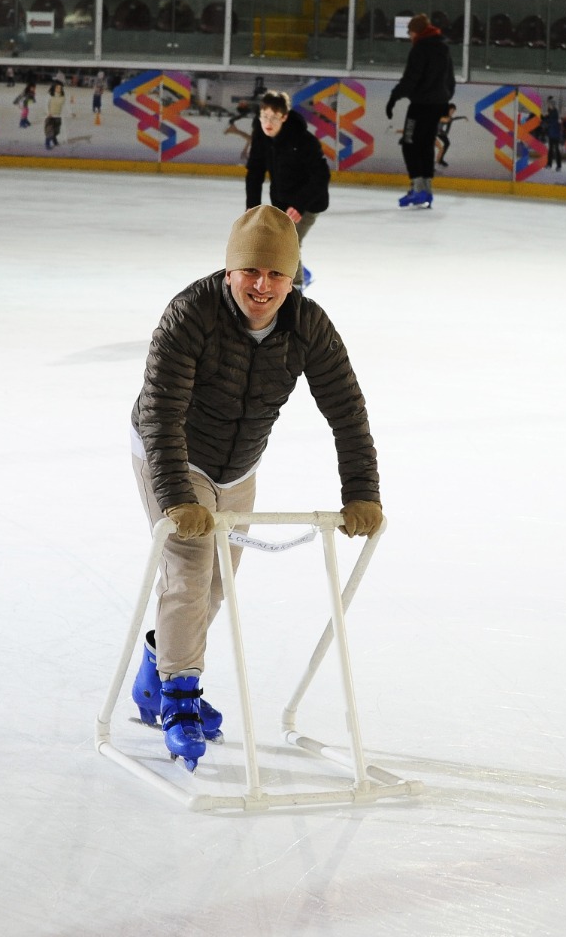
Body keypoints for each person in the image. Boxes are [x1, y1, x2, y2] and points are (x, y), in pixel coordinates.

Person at [128, 206, 383, 769]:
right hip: (173, 452)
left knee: (218, 583)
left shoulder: (308, 325)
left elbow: (346, 409)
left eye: (276, 275)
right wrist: (175, 495)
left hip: (239, 465)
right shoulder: (189, 314)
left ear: (293, 278)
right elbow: (162, 413)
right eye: (250, 273)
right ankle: (178, 698)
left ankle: (157, 671)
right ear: (229, 272)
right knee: (191, 572)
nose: (262, 286)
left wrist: (361, 491)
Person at [244, 90, 331, 290]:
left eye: (274, 117)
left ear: (284, 117)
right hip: (282, 199)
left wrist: (300, 205)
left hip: (309, 202)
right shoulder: (261, 134)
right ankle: (303, 271)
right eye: (264, 116)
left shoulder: (303, 140)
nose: (268, 122)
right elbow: (255, 171)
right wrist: (253, 206)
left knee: (289, 242)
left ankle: (297, 288)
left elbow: (321, 176)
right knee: (278, 242)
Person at [386, 13, 455, 209]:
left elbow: (411, 79)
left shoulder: (420, 49)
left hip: (420, 105)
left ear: (417, 32)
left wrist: (394, 97)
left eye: (410, 33)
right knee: (425, 145)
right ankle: (427, 189)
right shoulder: (443, 47)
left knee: (409, 143)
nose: (410, 37)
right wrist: (445, 98)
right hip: (437, 105)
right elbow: (450, 78)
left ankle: (418, 188)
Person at [435, 102, 465, 167]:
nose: (452, 112)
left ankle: (439, 160)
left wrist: (463, 117)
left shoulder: (449, 117)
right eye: (451, 111)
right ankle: (437, 162)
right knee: (439, 147)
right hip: (434, 132)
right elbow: (443, 120)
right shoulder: (442, 114)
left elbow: (453, 118)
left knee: (446, 144)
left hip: (440, 132)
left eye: (453, 111)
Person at [542, 98, 563, 172]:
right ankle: (549, 164)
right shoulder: (551, 112)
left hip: (556, 135)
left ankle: (559, 165)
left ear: (552, 105)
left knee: (556, 150)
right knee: (550, 150)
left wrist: (545, 121)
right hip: (552, 134)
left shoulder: (555, 112)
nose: (548, 105)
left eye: (549, 104)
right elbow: (549, 120)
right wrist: (545, 118)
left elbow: (552, 122)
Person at [43, 80, 65, 150]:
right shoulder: (50, 95)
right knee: (50, 131)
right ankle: (47, 143)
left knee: (56, 131)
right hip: (50, 117)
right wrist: (48, 113)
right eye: (57, 88)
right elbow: (46, 105)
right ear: (54, 88)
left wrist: (71, 113)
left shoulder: (62, 96)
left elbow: (65, 105)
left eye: (60, 88)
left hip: (58, 117)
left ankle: (54, 140)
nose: (59, 89)